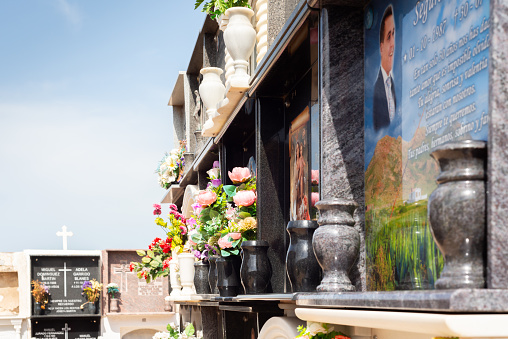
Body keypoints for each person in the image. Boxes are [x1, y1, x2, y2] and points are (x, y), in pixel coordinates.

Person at [373, 5, 396, 131]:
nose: (393, 43)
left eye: (393, 34)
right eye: (388, 37)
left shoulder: (395, 86)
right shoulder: (376, 91)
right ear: (381, 48)